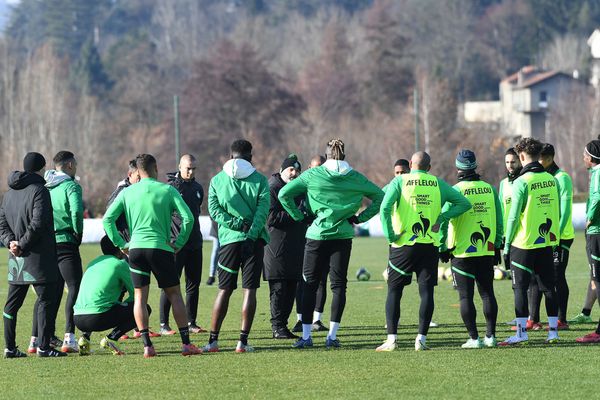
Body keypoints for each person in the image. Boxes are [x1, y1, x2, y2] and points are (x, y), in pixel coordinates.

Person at [280, 138, 384, 349]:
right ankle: (332, 336)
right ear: (344, 156)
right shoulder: (355, 177)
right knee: (339, 286)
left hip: (317, 235)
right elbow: (381, 196)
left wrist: (299, 216)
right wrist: (359, 218)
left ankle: (307, 337)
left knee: (309, 285)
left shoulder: (312, 174)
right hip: (343, 236)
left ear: (326, 155)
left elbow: (284, 194)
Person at [103, 153, 202, 357]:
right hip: (161, 247)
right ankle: (186, 344)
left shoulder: (127, 192)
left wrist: (121, 244)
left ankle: (147, 346)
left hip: (136, 248)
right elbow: (188, 218)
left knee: (139, 296)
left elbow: (107, 220)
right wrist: (179, 242)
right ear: (155, 168)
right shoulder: (167, 189)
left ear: (137, 172)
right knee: (174, 293)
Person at [376, 151, 471, 352]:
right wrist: (442, 218)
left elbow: (384, 208)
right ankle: (421, 339)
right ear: (429, 167)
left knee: (394, 291)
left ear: (411, 164)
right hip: (429, 246)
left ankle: (392, 339)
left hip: (403, 246)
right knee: (426, 292)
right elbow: (464, 203)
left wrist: (390, 236)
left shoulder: (400, 181)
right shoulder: (437, 183)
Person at [204, 139, 270, 353]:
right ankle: (242, 342)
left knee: (223, 290)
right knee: (249, 291)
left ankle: (213, 341)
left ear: (231, 155)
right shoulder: (260, 180)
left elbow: (214, 211)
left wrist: (235, 224)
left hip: (229, 242)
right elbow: (262, 212)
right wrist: (250, 235)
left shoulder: (217, 180)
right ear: (250, 156)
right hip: (254, 242)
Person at [0, 153, 66, 357]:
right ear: (41, 168)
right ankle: (44, 347)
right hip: (38, 257)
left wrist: (11, 243)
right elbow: (38, 223)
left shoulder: (9, 193)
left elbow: (2, 224)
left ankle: (10, 348)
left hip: (16, 259)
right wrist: (22, 244)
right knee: (46, 300)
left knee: (11, 304)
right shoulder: (40, 191)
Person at [438, 150, 502, 348]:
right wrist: (497, 245)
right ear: (475, 166)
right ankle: (490, 337)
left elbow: (443, 220)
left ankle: (474, 339)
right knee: (487, 293)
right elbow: (499, 221)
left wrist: (442, 246)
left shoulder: (454, 190)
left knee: (466, 296)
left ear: (458, 168)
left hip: (461, 251)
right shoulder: (490, 189)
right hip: (486, 249)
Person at [500, 138, 560, 346]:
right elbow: (557, 211)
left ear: (522, 157)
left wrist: (506, 245)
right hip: (545, 242)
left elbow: (513, 217)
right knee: (548, 288)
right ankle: (553, 332)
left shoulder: (521, 182)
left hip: (523, 244)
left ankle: (521, 334)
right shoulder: (552, 180)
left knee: (520, 288)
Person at [31, 151, 84, 354]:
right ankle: (69, 337)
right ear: (69, 164)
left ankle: (36, 339)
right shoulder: (71, 186)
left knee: (47, 293)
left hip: (46, 244)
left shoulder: (44, 186)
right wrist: (77, 234)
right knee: (74, 287)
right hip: (65, 242)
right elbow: (77, 212)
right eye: (76, 163)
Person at [106, 159, 159, 341]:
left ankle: (138, 326)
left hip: (135, 246)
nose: (141, 179)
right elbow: (108, 218)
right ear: (130, 175)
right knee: (125, 289)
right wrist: (120, 244)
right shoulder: (122, 192)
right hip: (127, 248)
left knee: (136, 288)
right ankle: (124, 328)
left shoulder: (135, 190)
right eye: (138, 176)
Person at [74, 236, 151, 356]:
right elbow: (136, 295)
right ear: (119, 248)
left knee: (97, 302)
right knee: (144, 307)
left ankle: (84, 339)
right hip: (97, 318)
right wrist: (124, 304)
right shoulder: (119, 264)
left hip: (78, 319)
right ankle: (111, 338)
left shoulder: (93, 263)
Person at [526, 144, 573, 330]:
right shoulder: (544, 178)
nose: (537, 162)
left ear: (549, 158)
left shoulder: (562, 178)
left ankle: (562, 320)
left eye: (540, 158)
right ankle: (533, 319)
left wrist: (556, 237)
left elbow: (564, 211)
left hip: (560, 237)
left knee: (557, 276)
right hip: (542, 237)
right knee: (536, 277)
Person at [159, 154, 206, 335]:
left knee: (193, 284)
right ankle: (164, 324)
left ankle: (191, 321)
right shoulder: (170, 188)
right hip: (175, 244)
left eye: (194, 168)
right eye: (188, 168)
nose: (191, 171)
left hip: (195, 243)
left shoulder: (198, 188)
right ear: (180, 166)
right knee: (170, 283)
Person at [264, 154, 305, 339]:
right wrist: (297, 214)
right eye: (291, 169)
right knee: (279, 288)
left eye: (297, 170)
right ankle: (277, 327)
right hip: (276, 248)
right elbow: (271, 218)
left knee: (291, 287)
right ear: (282, 170)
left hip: (295, 246)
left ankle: (283, 326)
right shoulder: (272, 188)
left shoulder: (298, 190)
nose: (294, 173)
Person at [292, 155, 330, 333]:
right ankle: (300, 319)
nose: (319, 170)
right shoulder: (301, 186)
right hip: (304, 238)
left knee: (322, 279)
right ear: (309, 168)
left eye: (322, 166)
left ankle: (317, 319)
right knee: (303, 280)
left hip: (325, 237)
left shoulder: (330, 186)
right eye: (315, 167)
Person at [576, 139, 600, 343]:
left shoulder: (598, 172)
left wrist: (590, 216)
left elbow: (597, 195)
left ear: (591, 158)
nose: (582, 158)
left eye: (584, 155)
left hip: (596, 232)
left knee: (597, 279)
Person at [206, 219, 219, 286]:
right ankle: (211, 275)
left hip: (228, 231)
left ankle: (222, 275)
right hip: (216, 229)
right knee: (216, 251)